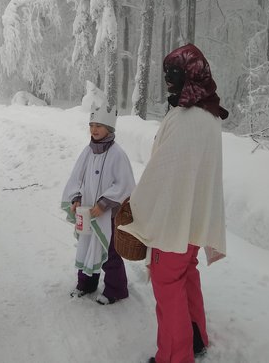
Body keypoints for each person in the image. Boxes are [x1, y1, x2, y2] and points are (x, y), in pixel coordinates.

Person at [118, 43, 228, 363]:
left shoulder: (184, 118)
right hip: (197, 219)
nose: (168, 80)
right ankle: (196, 339)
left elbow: (163, 174)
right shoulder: (210, 116)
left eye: (175, 73)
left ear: (191, 74)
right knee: (186, 273)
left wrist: (136, 207)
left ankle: (174, 357)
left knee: (167, 284)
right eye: (167, 73)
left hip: (175, 221)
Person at [61, 103, 136, 305]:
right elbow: (76, 177)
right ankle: (87, 283)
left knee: (110, 252)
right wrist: (76, 198)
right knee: (85, 246)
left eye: (99, 125)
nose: (94, 129)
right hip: (87, 213)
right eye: (92, 124)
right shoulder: (88, 152)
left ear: (109, 129)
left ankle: (116, 289)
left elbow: (125, 183)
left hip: (107, 216)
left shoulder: (117, 154)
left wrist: (103, 204)